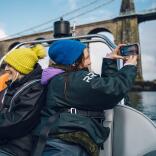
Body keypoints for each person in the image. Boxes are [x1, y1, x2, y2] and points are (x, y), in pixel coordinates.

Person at [34, 40, 137, 156]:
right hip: (65, 146)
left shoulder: (61, 78)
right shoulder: (72, 80)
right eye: (87, 57)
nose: (89, 62)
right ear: (74, 62)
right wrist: (129, 67)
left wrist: (109, 61)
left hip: (62, 139)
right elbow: (113, 90)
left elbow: (102, 90)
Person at [0, 44, 46, 156]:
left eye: (9, 65)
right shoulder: (11, 86)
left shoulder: (36, 89)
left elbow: (18, 121)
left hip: (15, 149)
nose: (5, 69)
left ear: (20, 67)